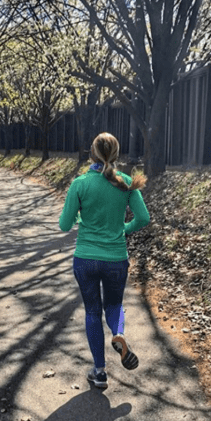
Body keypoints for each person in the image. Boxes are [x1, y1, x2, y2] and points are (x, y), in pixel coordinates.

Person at [59, 132, 150, 389]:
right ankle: (118, 333)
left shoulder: (80, 184)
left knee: (91, 311)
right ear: (116, 154)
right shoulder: (125, 182)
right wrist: (123, 229)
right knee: (114, 306)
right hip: (115, 258)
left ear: (91, 153)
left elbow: (64, 225)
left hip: (86, 259)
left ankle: (99, 372)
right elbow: (143, 218)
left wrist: (79, 218)